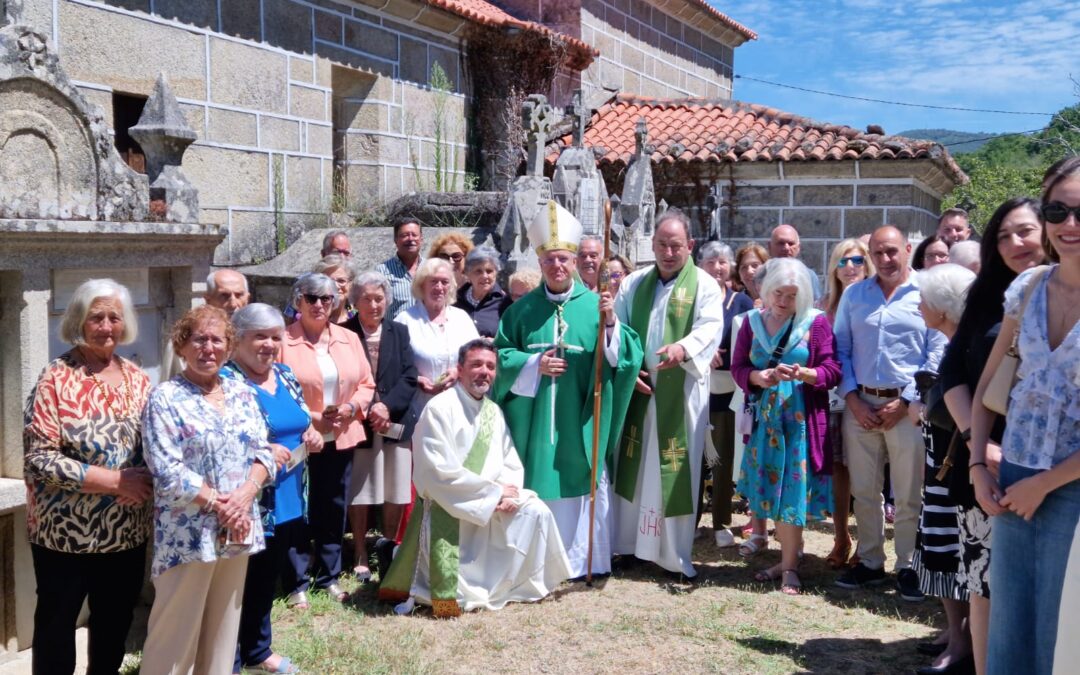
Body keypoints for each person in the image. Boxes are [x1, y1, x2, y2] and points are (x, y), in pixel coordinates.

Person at [971, 158, 1080, 675]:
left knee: (1065, 636)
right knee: (1011, 628)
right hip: (1013, 477)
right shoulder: (1030, 286)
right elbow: (986, 388)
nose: (1069, 224)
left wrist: (1046, 484)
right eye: (1057, 211)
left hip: (1072, 487)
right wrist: (977, 466)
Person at [494, 201, 642, 579]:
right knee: (539, 477)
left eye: (563, 259)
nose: (557, 266)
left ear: (575, 262)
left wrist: (611, 324)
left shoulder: (597, 306)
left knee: (583, 476)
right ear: (540, 263)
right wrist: (533, 364)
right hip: (537, 420)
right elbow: (500, 357)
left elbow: (625, 358)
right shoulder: (520, 312)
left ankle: (584, 561)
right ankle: (539, 562)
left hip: (581, 415)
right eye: (549, 260)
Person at [379, 339, 572, 616]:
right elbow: (436, 472)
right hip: (450, 508)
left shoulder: (493, 411)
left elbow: (509, 459)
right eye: (476, 365)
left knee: (536, 511)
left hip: (490, 501)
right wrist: (493, 494)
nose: (484, 372)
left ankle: (517, 583)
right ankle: (398, 556)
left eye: (490, 367)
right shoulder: (439, 408)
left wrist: (509, 494)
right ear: (460, 369)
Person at [937, 197, 1046, 675]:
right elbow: (951, 377)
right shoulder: (986, 299)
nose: (1014, 243)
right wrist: (978, 448)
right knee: (984, 585)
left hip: (1055, 468)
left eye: (1024, 231)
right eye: (1002, 236)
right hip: (986, 468)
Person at [23, 279, 153, 675]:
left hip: (126, 532)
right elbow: (39, 459)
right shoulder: (55, 377)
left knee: (114, 623)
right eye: (97, 317)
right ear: (79, 321)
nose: (106, 326)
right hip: (64, 534)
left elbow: (157, 445)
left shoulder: (138, 377)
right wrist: (115, 482)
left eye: (115, 317)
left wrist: (147, 479)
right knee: (56, 627)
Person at [140, 305, 275, 675]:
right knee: (174, 637)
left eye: (217, 340)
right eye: (199, 339)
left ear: (229, 348)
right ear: (182, 346)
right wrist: (220, 504)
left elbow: (264, 452)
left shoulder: (242, 393)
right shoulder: (165, 398)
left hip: (239, 528)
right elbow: (166, 469)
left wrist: (245, 495)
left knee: (222, 635)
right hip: (188, 535)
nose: (208, 348)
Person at [833, 225, 947, 599]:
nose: (885, 259)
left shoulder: (926, 292)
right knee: (864, 491)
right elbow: (841, 349)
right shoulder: (855, 295)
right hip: (861, 405)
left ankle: (908, 565)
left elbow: (937, 351)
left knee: (909, 492)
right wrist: (852, 399)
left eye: (892, 251)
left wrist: (908, 400)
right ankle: (869, 561)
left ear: (907, 249)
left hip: (906, 408)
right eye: (878, 252)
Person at [611, 208, 724, 578]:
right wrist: (628, 371)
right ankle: (628, 546)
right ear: (653, 245)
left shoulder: (704, 286)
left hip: (682, 392)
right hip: (640, 391)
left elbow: (710, 327)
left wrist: (683, 348)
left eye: (676, 245)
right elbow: (619, 332)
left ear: (690, 245)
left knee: (675, 469)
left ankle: (672, 555)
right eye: (662, 244)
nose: (668, 252)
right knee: (634, 465)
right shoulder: (634, 284)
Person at [223, 304, 323, 675]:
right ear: (237, 339)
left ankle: (258, 650)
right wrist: (263, 450)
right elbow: (220, 438)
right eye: (259, 336)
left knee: (265, 578)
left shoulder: (284, 374)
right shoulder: (225, 380)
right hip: (248, 499)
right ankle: (228, 659)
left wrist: (311, 433)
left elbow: (299, 419)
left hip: (288, 495)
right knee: (236, 585)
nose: (269, 344)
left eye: (275, 337)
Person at [732, 258, 841, 594]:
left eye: (792, 296)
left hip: (800, 425)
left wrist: (806, 374)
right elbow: (738, 367)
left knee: (791, 494)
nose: (783, 301)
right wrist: (757, 377)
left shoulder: (815, 322)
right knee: (771, 492)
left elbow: (832, 370)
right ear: (767, 290)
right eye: (778, 293)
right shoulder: (751, 323)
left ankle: (790, 566)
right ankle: (786, 557)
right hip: (766, 424)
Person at [279, 273, 375, 605]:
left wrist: (351, 407)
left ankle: (329, 577)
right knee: (296, 508)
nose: (319, 304)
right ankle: (295, 581)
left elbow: (367, 383)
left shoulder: (348, 338)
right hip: (299, 438)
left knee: (333, 506)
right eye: (311, 297)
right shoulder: (283, 341)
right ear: (298, 301)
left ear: (335, 302)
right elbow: (277, 390)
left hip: (341, 434)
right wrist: (312, 418)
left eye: (326, 298)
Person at [909, 264, 976, 675]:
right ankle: (955, 634)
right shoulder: (952, 344)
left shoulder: (970, 349)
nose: (918, 305)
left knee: (958, 553)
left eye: (923, 299)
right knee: (941, 549)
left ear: (942, 307)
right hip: (940, 467)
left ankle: (962, 642)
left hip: (961, 470)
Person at [342, 272, 419, 579]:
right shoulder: (344, 332)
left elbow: (410, 375)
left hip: (394, 421)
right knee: (360, 491)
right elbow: (341, 376)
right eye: (366, 299)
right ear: (354, 302)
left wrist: (387, 406)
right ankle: (360, 551)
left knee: (394, 489)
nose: (373, 305)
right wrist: (366, 408)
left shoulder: (399, 332)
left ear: (387, 300)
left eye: (379, 298)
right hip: (358, 422)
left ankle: (388, 550)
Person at [821, 238, 876, 569]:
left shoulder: (874, 301)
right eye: (843, 261)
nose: (850, 267)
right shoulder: (823, 306)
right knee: (839, 471)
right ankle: (841, 538)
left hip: (865, 398)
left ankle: (868, 544)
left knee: (867, 474)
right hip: (832, 400)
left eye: (856, 260)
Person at [697, 241, 754, 548]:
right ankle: (689, 520)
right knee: (694, 458)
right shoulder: (691, 298)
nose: (716, 267)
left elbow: (750, 343)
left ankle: (721, 522)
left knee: (722, 459)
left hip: (728, 390)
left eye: (722, 261)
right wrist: (702, 353)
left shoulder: (741, 301)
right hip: (695, 387)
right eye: (710, 262)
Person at [395, 258, 480, 417]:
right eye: (433, 281)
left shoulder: (462, 318)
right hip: (419, 410)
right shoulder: (404, 320)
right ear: (422, 285)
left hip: (460, 408)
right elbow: (392, 367)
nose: (439, 287)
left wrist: (458, 371)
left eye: (445, 282)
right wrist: (416, 379)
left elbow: (477, 356)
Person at [454, 246, 511, 338]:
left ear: (496, 273)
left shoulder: (505, 304)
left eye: (489, 271)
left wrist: (496, 342)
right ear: (468, 274)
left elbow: (512, 338)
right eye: (478, 271)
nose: (484, 276)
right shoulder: (455, 301)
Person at [376, 217, 424, 319]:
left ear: (421, 239)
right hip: (395, 328)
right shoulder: (382, 271)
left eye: (414, 235)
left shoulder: (431, 268)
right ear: (395, 240)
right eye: (405, 235)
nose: (410, 239)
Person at [768, 224, 822, 298]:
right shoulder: (761, 275)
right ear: (769, 246)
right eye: (781, 243)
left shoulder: (809, 276)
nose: (786, 248)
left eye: (791, 244)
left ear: (798, 248)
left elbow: (816, 303)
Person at [313, 254, 356, 324]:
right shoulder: (310, 319)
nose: (336, 286)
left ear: (350, 285)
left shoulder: (359, 317)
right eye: (329, 281)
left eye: (341, 281)